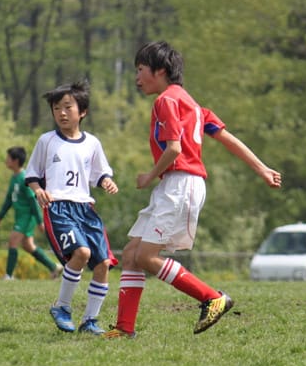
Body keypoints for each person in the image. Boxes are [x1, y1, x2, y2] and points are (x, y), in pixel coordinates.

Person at [104, 41, 282, 339]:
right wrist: (261, 167)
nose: (137, 77)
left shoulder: (166, 101)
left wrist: (149, 175)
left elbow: (174, 149)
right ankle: (124, 329)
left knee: (147, 256)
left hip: (180, 183)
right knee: (133, 253)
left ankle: (212, 298)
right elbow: (228, 138)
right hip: (177, 185)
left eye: (140, 70)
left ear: (159, 71)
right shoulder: (193, 105)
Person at [25, 80, 118, 335]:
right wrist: (38, 190)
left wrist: (107, 181)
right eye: (57, 108)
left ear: (83, 111)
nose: (62, 113)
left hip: (86, 209)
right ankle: (62, 307)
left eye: (68, 107)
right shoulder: (46, 141)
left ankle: (90, 321)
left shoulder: (92, 143)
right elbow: (32, 175)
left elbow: (99, 173)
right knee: (82, 253)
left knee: (103, 264)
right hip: (58, 207)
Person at [0, 146, 63, 280]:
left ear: (15, 160)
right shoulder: (15, 177)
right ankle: (54, 267)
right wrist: (0, 216)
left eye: (8, 158)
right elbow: (9, 199)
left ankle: (8, 275)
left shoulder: (24, 178)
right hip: (20, 216)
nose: (6, 160)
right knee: (28, 246)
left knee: (13, 241)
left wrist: (39, 221)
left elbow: (32, 200)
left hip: (27, 216)